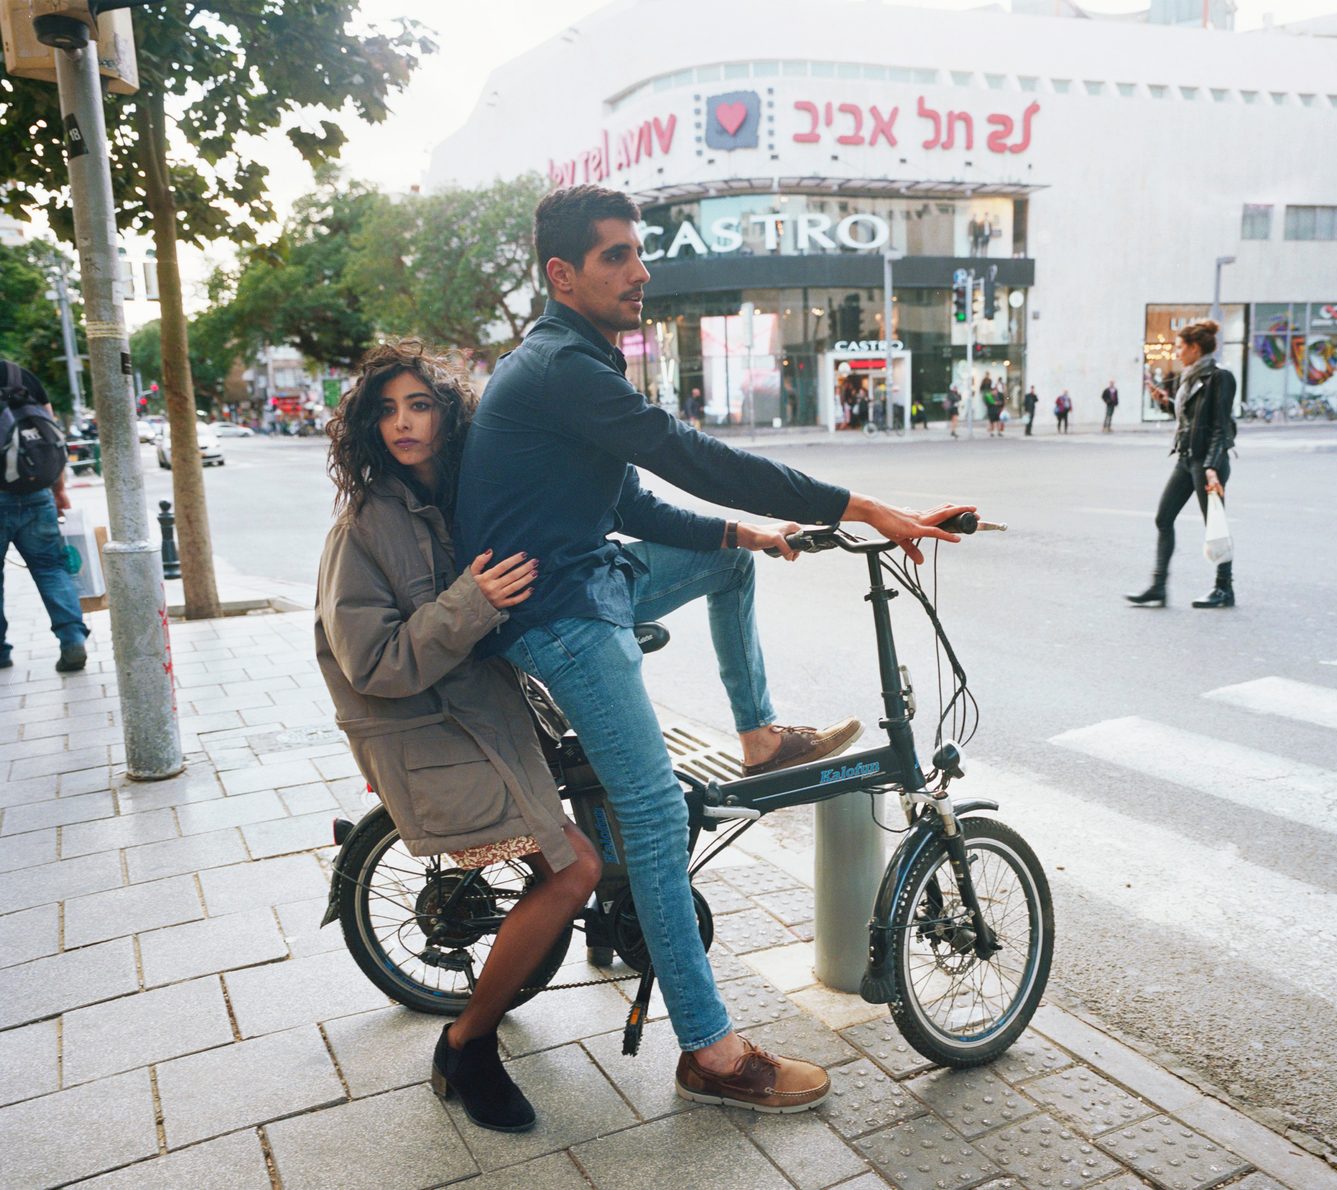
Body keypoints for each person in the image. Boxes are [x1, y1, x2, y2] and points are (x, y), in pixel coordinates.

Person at [453, 184, 972, 1114]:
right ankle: (711, 1053)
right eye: (616, 256)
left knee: (731, 564)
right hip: (558, 614)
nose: (641, 271)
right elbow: (692, 456)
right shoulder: (564, 368)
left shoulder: (576, 359)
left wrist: (741, 535)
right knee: (658, 816)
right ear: (562, 274)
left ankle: (760, 736)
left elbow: (622, 500)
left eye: (639, 252)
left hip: (589, 575)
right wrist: (862, 506)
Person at [314, 341, 602, 1132]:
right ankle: (467, 1043)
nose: (403, 424)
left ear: (449, 416)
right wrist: (473, 600)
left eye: (420, 405)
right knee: (574, 870)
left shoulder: (459, 497)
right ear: (368, 428)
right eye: (386, 410)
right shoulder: (364, 526)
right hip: (425, 733)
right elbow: (373, 661)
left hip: (481, 713)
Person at [1127, 318, 1237, 609]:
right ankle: (1158, 587)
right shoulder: (1189, 378)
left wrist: (1212, 467)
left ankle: (1224, 588)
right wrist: (1164, 402)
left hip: (1207, 463)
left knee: (1214, 525)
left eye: (1179, 347)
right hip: (1186, 459)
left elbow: (1221, 427)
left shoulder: (1220, 378)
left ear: (1195, 347)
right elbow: (1190, 419)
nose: (1176, 352)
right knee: (1163, 518)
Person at [0, 360, 88, 673]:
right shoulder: (17, 374)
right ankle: (72, 639)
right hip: (35, 490)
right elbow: (49, 436)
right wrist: (58, 489)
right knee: (51, 568)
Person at [981, 372, 1000, 438]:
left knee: (996, 420)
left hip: (994, 408)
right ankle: (991, 431)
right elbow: (981, 388)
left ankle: (997, 431)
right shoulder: (984, 381)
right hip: (989, 403)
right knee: (991, 420)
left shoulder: (990, 381)